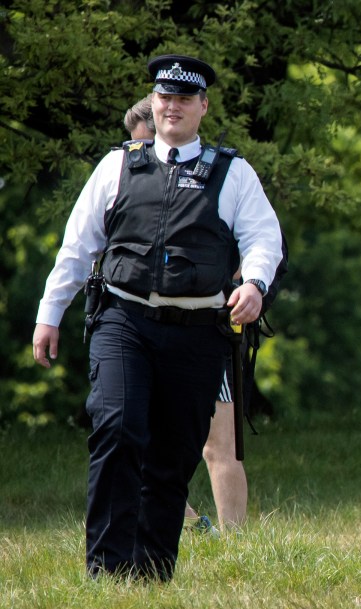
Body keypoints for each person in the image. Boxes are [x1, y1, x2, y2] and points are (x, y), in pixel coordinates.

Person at [33, 54, 282, 581]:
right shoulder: (118, 166)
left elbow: (264, 238)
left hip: (198, 332)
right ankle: (106, 570)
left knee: (174, 456)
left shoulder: (232, 173)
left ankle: (150, 577)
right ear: (155, 103)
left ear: (202, 107)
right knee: (118, 430)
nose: (172, 107)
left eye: (184, 99)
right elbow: (77, 246)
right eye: (164, 98)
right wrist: (50, 312)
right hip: (124, 321)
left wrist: (255, 284)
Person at [124, 95, 246, 533]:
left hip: (199, 330)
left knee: (219, 445)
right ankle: (192, 526)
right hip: (137, 331)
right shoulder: (127, 177)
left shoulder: (217, 178)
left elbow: (256, 245)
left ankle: (236, 543)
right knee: (131, 438)